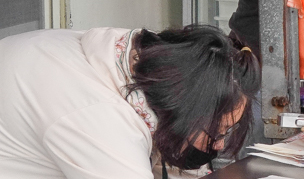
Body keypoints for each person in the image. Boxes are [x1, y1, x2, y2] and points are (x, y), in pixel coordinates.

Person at [0, 24, 258, 178]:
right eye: (219, 130)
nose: (221, 143)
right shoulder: (99, 120)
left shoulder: (135, 57)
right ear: (186, 108)